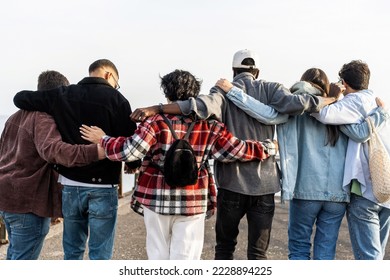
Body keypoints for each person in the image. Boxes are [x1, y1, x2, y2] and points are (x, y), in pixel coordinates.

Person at [129, 50, 340, 260]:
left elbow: (196, 106)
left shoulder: (221, 92)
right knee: (258, 254)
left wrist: (157, 108)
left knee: (224, 249)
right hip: (265, 186)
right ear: (257, 71)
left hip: (231, 184)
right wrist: (328, 99)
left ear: (233, 70)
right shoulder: (272, 89)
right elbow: (300, 103)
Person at [80, 69, 278, 260]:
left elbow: (129, 151)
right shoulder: (210, 124)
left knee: (158, 257)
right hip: (193, 200)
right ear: (194, 94)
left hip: (156, 199)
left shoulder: (155, 121)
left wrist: (103, 138)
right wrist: (268, 147)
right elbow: (236, 150)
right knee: (186, 261)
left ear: (167, 93)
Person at [217, 68, 388, 259]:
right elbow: (361, 131)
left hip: (305, 190)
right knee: (326, 250)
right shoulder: (338, 110)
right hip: (338, 194)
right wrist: (380, 113)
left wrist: (233, 91)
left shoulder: (297, 107)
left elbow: (266, 114)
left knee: (299, 247)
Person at [13, 59, 140, 260]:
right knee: (100, 254)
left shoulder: (63, 94)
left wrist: (47, 97)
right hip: (103, 187)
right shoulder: (118, 100)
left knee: (72, 252)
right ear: (108, 75)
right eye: (116, 82)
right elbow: (130, 140)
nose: (116, 87)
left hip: (70, 186)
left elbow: (20, 98)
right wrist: (133, 165)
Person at [0, 70, 104, 260]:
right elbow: (55, 150)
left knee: (14, 255)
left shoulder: (14, 117)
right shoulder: (42, 117)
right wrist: (98, 151)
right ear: (59, 93)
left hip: (6, 198)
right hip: (28, 203)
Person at [311, 60, 390, 260]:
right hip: (386, 189)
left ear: (344, 82)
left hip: (366, 191)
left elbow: (320, 112)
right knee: (377, 256)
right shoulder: (377, 103)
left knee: (368, 258)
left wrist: (335, 98)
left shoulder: (354, 102)